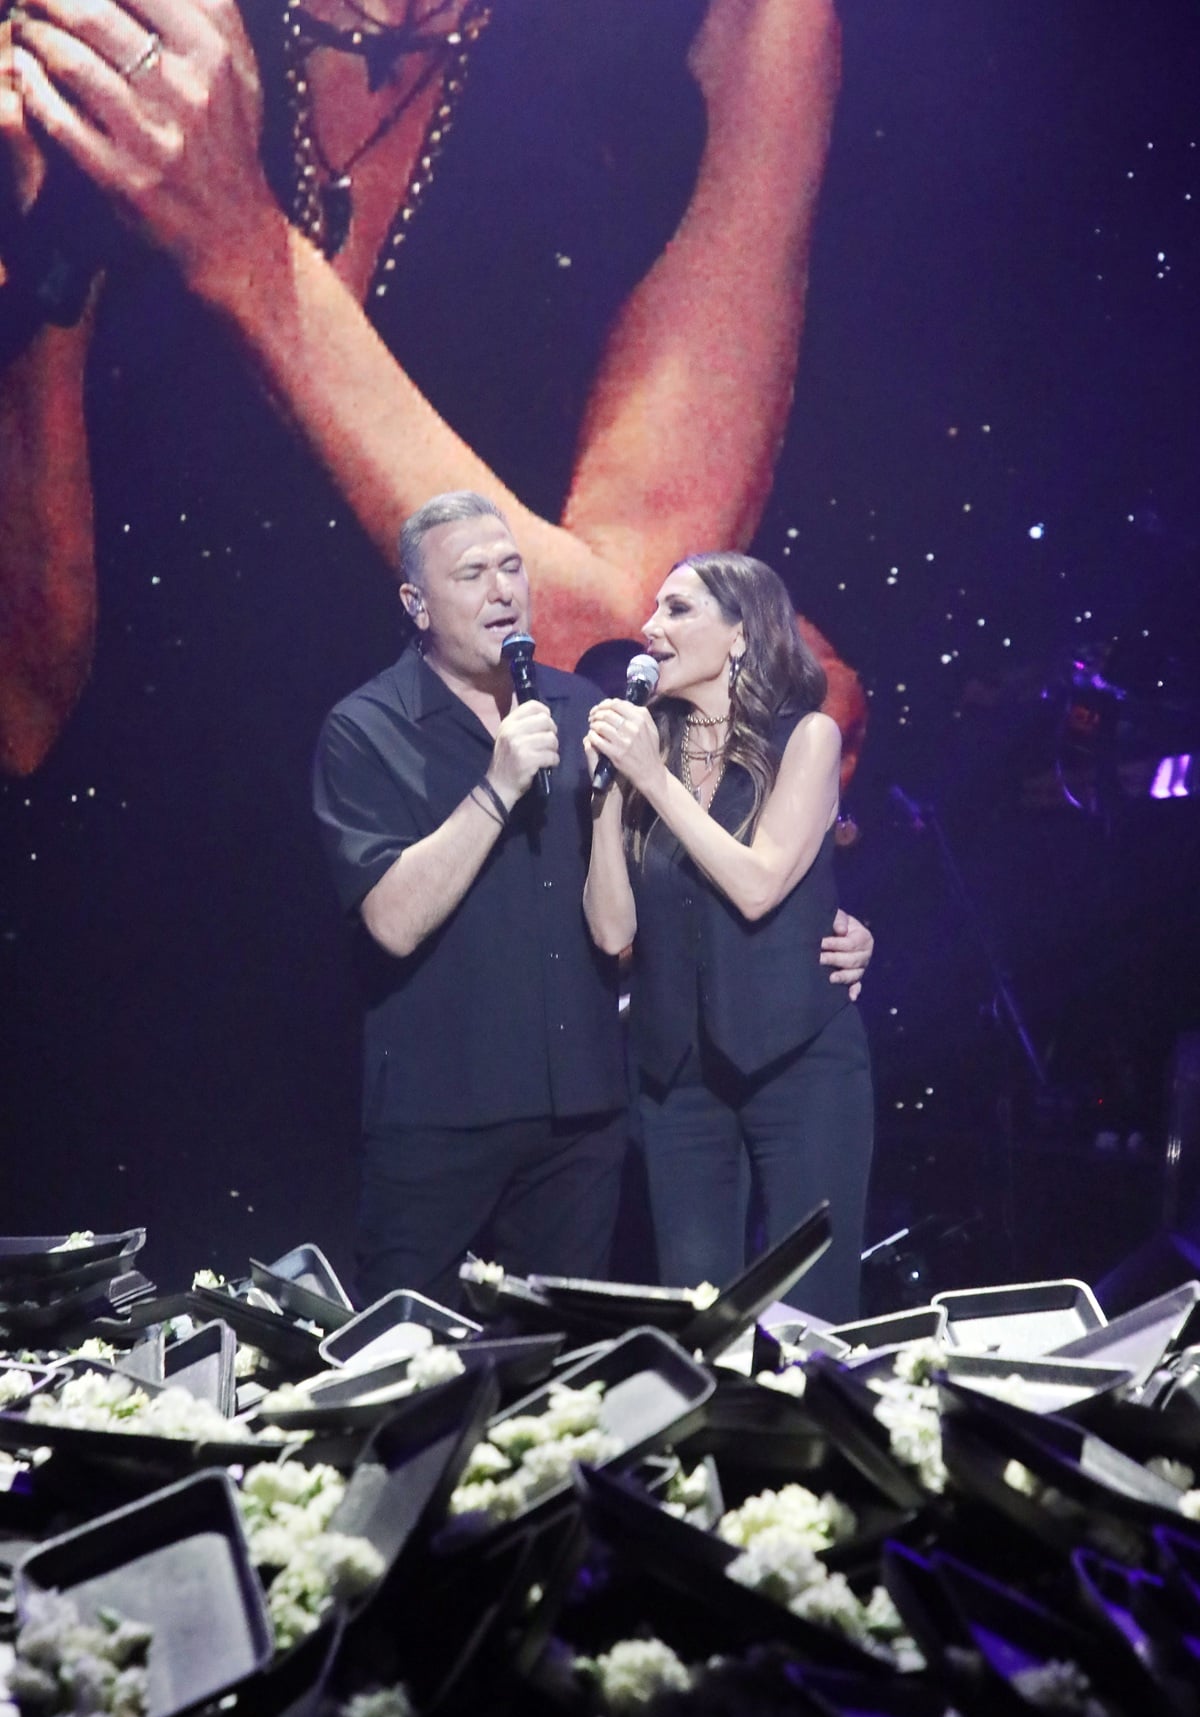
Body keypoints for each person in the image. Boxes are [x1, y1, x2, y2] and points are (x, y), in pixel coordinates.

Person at [0, 0, 865, 1273]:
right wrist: (45, 252)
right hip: (119, 991)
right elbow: (24, 706)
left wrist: (243, 246)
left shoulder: (735, 25)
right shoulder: (113, 28)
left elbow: (618, 637)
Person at [314, 493, 873, 1305]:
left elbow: (757, 859)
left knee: (580, 1347)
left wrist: (837, 925)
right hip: (451, 1109)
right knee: (411, 1341)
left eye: (512, 567)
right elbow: (399, 924)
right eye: (472, 573)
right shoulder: (367, 728)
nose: (502, 589)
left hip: (587, 1115)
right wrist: (506, 785)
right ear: (417, 603)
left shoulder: (589, 710)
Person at [584, 552, 874, 1322]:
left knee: (810, 1316)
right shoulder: (650, 753)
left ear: (742, 632)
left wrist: (653, 779)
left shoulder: (806, 738)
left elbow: (757, 885)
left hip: (799, 1064)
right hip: (679, 1077)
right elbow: (612, 932)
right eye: (654, 609)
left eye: (677, 609)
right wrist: (606, 797)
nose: (650, 628)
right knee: (697, 1317)